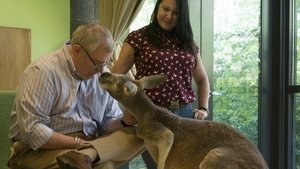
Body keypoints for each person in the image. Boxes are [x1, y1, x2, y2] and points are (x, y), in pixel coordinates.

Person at [7, 23, 144, 169]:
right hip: (38, 150)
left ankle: (89, 155)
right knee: (105, 165)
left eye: (105, 63)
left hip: (88, 145)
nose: (100, 71)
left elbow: (106, 122)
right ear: (77, 50)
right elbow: (33, 131)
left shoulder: (102, 73)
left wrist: (124, 121)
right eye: (96, 63)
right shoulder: (43, 72)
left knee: (140, 136)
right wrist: (79, 143)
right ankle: (91, 154)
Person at [111, 0, 210, 168]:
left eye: (176, 13)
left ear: (182, 16)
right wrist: (129, 107)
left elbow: (202, 80)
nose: (169, 16)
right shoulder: (138, 38)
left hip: (185, 116)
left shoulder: (189, 43)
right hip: (151, 115)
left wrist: (203, 108)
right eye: (165, 9)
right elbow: (116, 76)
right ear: (157, 8)